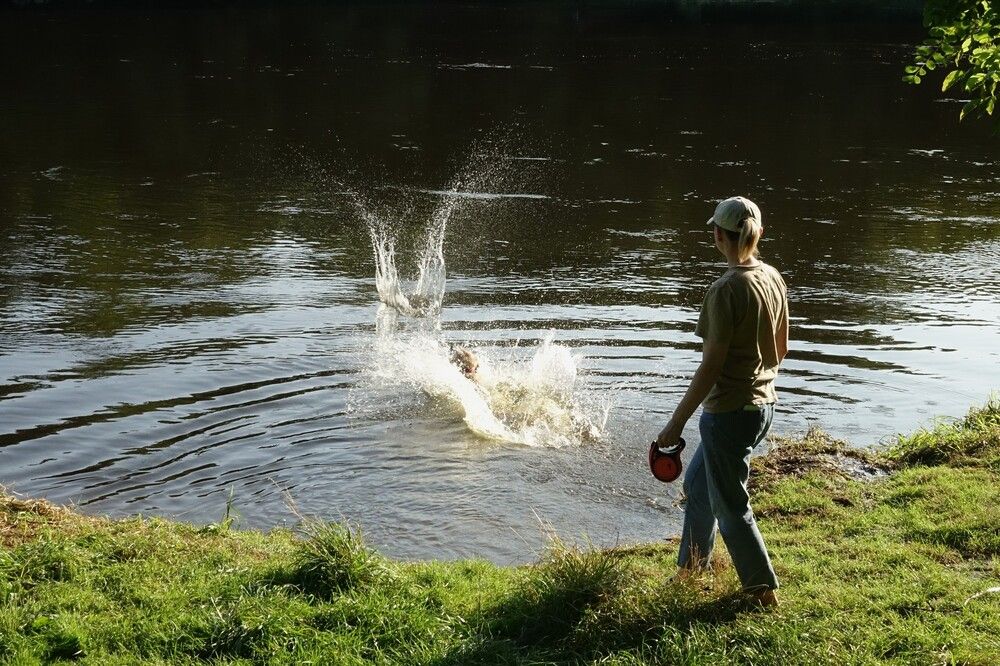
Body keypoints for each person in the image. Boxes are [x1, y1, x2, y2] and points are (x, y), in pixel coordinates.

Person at [656, 196, 789, 608]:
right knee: (698, 487)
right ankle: (691, 569)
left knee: (731, 505)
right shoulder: (772, 278)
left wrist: (675, 424)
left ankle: (761, 590)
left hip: (729, 413)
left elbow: (710, 368)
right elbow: (781, 349)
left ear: (717, 235)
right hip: (762, 405)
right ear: (758, 233)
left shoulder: (724, 289)